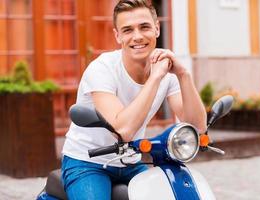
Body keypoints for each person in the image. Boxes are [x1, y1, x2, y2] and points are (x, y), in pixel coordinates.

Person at [61, 0, 207, 199]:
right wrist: (155, 77)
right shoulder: (102, 69)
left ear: (157, 28)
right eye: (128, 30)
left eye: (144, 27)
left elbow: (197, 127)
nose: (137, 36)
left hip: (129, 161)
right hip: (87, 163)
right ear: (118, 35)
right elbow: (124, 130)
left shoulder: (168, 72)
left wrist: (183, 74)